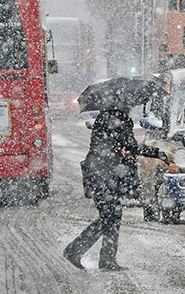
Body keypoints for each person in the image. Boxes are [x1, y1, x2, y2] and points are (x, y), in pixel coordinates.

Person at [63, 108, 168, 271]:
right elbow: (131, 146)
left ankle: (101, 257)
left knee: (111, 215)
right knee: (110, 215)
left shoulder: (106, 117)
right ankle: (79, 251)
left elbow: (118, 146)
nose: (130, 107)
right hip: (104, 174)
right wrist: (156, 153)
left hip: (100, 172)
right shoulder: (117, 119)